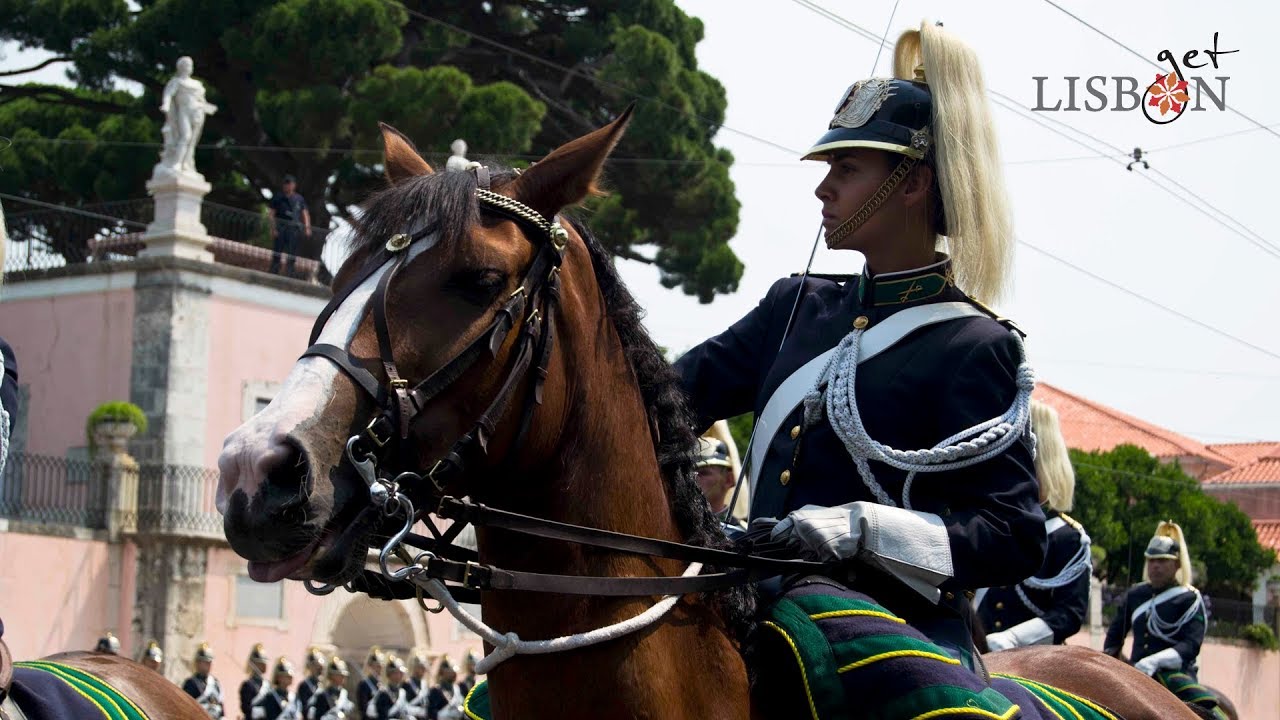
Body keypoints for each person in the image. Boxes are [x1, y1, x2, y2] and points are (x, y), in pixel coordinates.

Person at [675, 21, 1043, 674]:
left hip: (893, 641)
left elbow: (1011, 538)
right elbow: (661, 400)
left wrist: (864, 529)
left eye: (846, 168)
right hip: (752, 614)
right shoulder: (793, 307)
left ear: (911, 183)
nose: (824, 187)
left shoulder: (973, 344)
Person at [978, 399, 1093, 649]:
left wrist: (1011, 640)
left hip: (1034, 660)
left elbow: (1068, 613)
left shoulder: (1067, 538)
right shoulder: (991, 523)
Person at [1104, 521, 1224, 718]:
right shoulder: (1136, 594)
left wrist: (1153, 661)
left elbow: (1190, 645)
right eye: (1151, 560)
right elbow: (1115, 636)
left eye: (1162, 561)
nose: (1155, 566)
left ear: (1176, 564)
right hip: (1137, 673)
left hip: (1175, 675)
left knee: (1212, 714)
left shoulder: (1189, 598)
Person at [157, 56, 217, 176]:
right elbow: (168, 95)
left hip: (197, 113)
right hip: (183, 111)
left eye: (189, 65)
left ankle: (187, 163)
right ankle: (177, 162)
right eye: (185, 65)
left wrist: (208, 107)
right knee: (185, 136)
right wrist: (166, 105)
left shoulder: (197, 84)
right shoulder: (176, 82)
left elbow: (201, 100)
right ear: (180, 67)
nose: (188, 67)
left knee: (193, 140)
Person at [693, 420, 748, 528]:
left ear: (729, 480)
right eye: (689, 472)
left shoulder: (741, 535)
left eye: (703, 473)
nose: (693, 477)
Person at [267, 175, 311, 277]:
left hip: (293, 228)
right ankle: (274, 271)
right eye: (286, 184)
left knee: (292, 252)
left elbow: (305, 214)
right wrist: (273, 228)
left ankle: (289, 272)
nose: (287, 186)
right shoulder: (278, 197)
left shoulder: (299, 199)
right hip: (281, 227)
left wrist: (307, 228)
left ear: (294, 185)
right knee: (277, 251)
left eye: (289, 184)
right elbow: (271, 214)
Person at [182, 643, 225, 719]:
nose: (208, 665)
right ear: (198, 662)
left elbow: (221, 709)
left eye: (210, 662)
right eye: (205, 662)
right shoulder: (190, 683)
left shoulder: (215, 683)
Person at [240, 643, 269, 720]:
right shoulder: (247, 685)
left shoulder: (268, 685)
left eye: (264, 663)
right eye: (261, 663)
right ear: (254, 664)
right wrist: (262, 711)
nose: (264, 666)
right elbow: (245, 708)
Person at [355, 647, 384, 720]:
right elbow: (363, 708)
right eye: (378, 666)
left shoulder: (383, 683)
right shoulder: (364, 684)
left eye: (381, 666)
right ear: (371, 666)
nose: (380, 669)